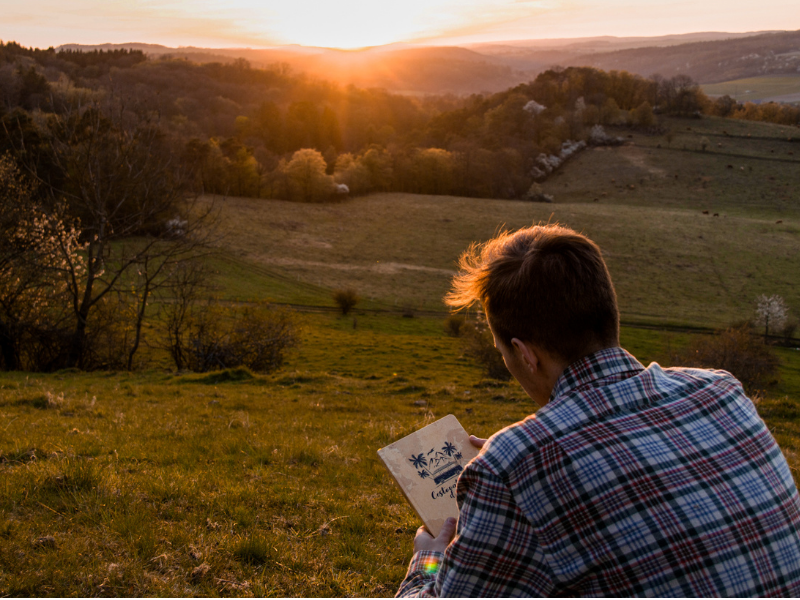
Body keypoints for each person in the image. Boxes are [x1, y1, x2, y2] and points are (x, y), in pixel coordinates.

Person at [397, 224, 800, 597]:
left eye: (504, 353)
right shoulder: (720, 389)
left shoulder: (511, 466)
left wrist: (430, 559)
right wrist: (518, 472)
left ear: (524, 354)